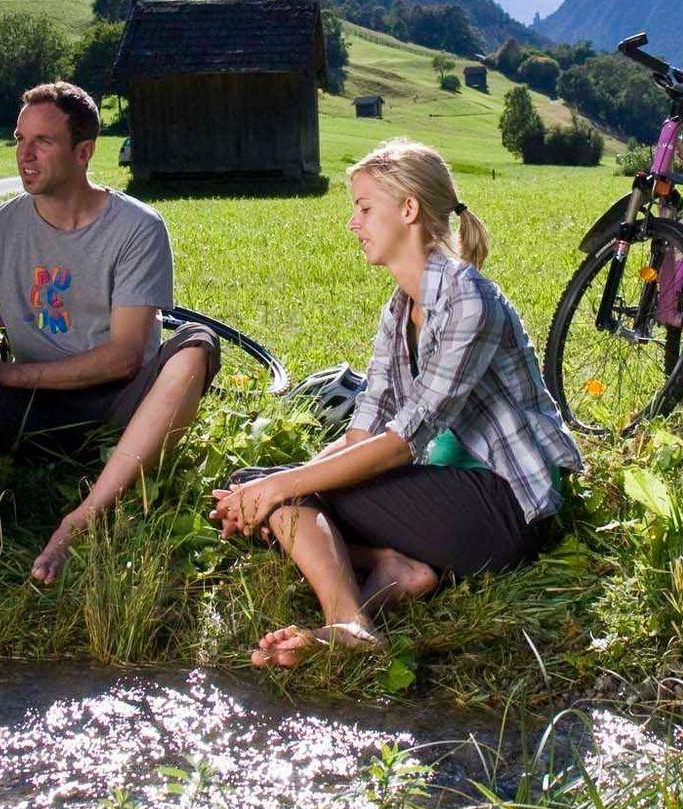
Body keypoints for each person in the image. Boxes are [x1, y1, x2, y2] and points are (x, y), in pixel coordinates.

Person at [211, 139, 582, 667]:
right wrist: (273, 485)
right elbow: (361, 432)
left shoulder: (469, 300)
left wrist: (282, 488)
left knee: (283, 493)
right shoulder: (399, 308)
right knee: (254, 485)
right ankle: (392, 571)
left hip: (501, 507)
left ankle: (349, 621)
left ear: (408, 209)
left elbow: (404, 441)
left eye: (364, 208)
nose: (353, 223)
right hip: (434, 496)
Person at [0, 81, 220, 645]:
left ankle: (82, 518)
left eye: (43, 142)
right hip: (31, 409)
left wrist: (4, 371)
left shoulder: (138, 228)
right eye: (19, 140)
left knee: (196, 347)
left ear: (83, 152)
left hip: (119, 408)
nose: (25, 155)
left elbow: (124, 357)